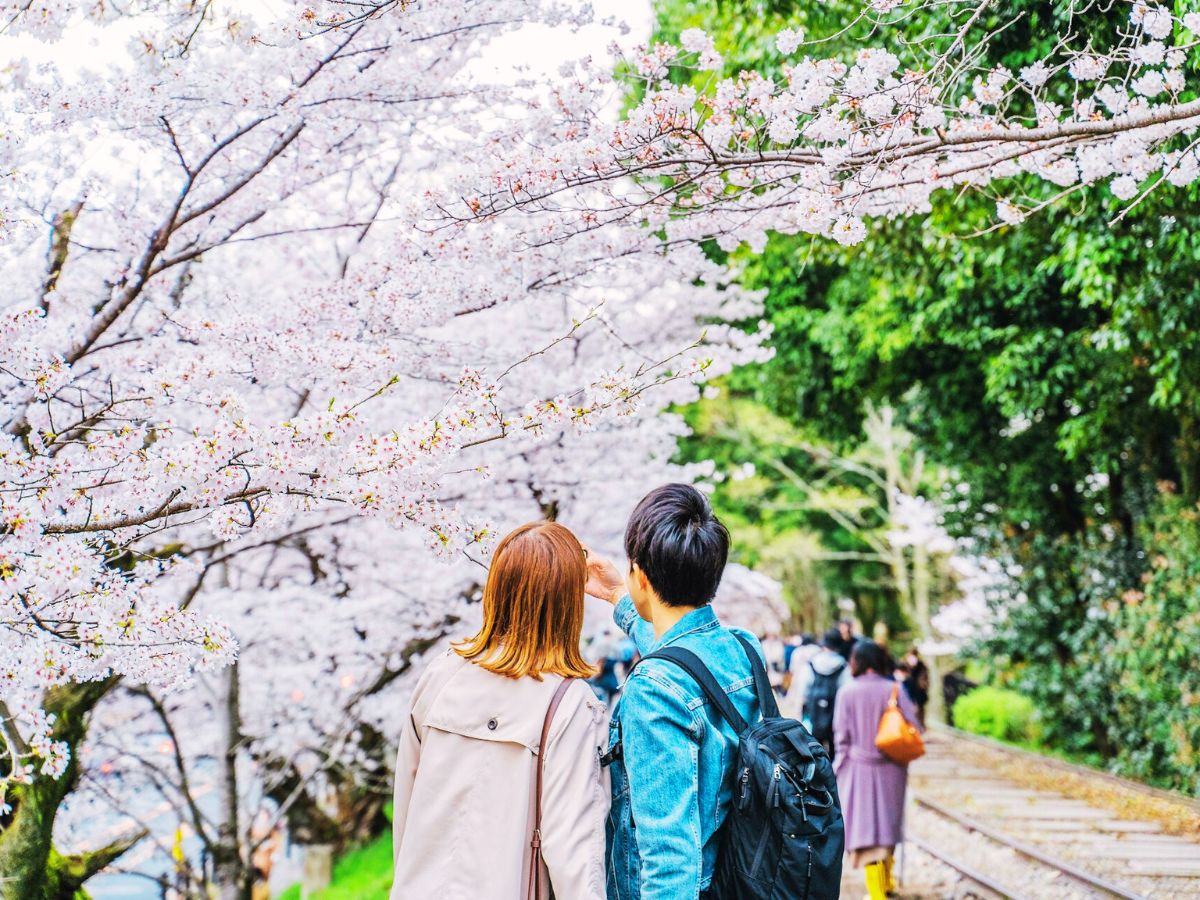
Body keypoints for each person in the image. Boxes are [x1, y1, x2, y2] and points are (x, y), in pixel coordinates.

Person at [390, 522, 609, 900]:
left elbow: (407, 812)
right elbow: (574, 854)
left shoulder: (441, 675)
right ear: (568, 603)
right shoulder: (570, 703)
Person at [583, 483, 769, 900]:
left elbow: (671, 859)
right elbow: (684, 658)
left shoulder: (653, 690)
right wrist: (616, 594)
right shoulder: (742, 648)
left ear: (642, 577)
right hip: (735, 878)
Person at [833, 640, 923, 900]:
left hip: (857, 768)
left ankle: (877, 894)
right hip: (892, 769)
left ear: (857, 662)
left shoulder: (847, 693)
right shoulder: (894, 688)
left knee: (866, 833)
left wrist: (837, 769)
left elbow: (841, 738)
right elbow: (913, 724)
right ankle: (888, 884)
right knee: (888, 827)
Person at [789, 628, 851, 758]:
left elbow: (803, 689)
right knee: (835, 751)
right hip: (835, 716)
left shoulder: (811, 664)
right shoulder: (843, 667)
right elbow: (847, 692)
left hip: (814, 714)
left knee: (814, 749)